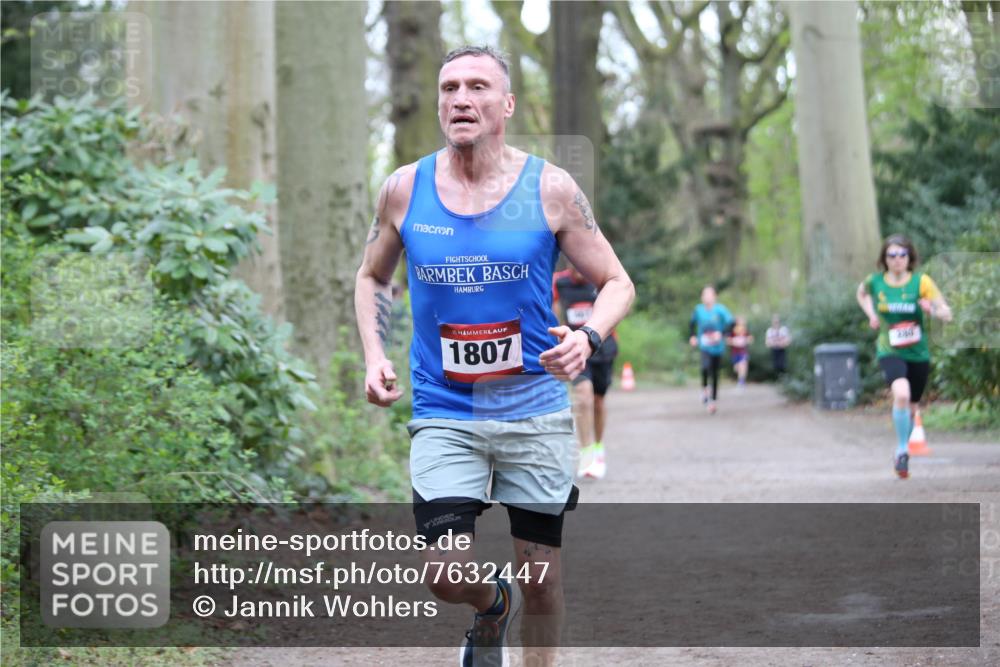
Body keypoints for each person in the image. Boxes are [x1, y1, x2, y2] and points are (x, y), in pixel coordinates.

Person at [354, 45, 634, 667]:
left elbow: (619, 282)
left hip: (531, 407)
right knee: (443, 571)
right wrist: (374, 354)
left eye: (478, 86)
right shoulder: (404, 189)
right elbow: (373, 277)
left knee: (544, 582)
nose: (461, 98)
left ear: (505, 104)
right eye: (450, 87)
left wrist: (586, 338)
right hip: (444, 406)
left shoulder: (551, 189)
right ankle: (490, 606)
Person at [856, 234, 952, 479]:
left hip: (918, 353)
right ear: (884, 258)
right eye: (892, 255)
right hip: (890, 350)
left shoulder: (921, 282)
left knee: (911, 408)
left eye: (902, 255)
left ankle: (903, 447)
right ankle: (901, 450)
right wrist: (871, 315)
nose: (897, 260)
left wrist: (933, 310)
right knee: (901, 394)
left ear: (909, 258)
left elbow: (947, 313)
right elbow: (862, 294)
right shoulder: (875, 282)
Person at [552, 265, 620, 480]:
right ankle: (587, 454)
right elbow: (554, 315)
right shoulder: (558, 282)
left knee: (599, 401)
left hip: (603, 347)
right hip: (576, 349)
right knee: (583, 395)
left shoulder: (601, 278)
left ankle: (598, 447)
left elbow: (616, 306)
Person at [689, 286, 734, 414]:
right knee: (704, 367)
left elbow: (731, 323)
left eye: (709, 295)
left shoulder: (720, 310)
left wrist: (723, 334)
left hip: (717, 348)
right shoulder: (698, 310)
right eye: (704, 295)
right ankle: (704, 390)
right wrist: (692, 336)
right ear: (702, 297)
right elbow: (692, 324)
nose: (706, 297)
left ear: (714, 297)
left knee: (714, 373)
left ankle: (713, 401)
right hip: (704, 346)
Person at [727, 316, 753, 388]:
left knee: (743, 365)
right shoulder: (732, 330)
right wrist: (734, 341)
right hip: (735, 352)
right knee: (737, 368)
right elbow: (728, 340)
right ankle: (740, 379)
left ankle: (741, 381)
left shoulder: (745, 330)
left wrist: (745, 340)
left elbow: (750, 338)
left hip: (743, 352)